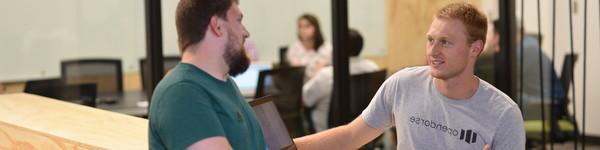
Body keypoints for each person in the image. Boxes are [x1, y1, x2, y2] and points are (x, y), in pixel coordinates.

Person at [294, 3, 525, 150]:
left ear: (475, 49)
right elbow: (351, 135)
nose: (433, 51)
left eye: (445, 42)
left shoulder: (504, 114)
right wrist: (288, 147)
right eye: (430, 40)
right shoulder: (403, 84)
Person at [148, 0, 266, 149]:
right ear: (217, 26)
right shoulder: (181, 93)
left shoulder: (225, 84)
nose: (245, 32)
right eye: (239, 21)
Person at [302, 29, 379, 132]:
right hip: (365, 132)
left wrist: (315, 73)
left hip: (330, 135)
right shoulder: (373, 67)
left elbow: (306, 99)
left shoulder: (327, 74)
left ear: (337, 47)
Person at [287, 13, 333, 79]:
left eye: (307, 26)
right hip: (301, 85)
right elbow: (297, 72)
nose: (303, 30)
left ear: (316, 28)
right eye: (300, 26)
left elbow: (322, 72)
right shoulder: (294, 49)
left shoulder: (326, 47)